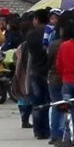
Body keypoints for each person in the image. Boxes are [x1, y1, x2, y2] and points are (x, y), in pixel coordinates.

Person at [24, 11, 50, 140]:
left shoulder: (31, 34)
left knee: (37, 102)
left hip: (35, 70)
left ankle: (38, 131)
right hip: (48, 70)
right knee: (48, 101)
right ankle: (47, 129)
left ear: (36, 19)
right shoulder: (50, 32)